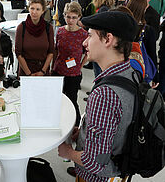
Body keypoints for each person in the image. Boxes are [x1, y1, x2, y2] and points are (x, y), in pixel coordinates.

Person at [58, 11, 138, 182]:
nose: (85, 42)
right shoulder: (130, 73)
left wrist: (68, 153)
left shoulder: (105, 94)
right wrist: (83, 134)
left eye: (89, 35)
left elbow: (95, 162)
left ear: (108, 39)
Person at [52, 2, 88, 127]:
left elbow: (88, 53)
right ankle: (57, 123)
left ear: (79, 17)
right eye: (68, 17)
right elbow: (56, 50)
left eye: (74, 17)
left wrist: (81, 65)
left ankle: (76, 126)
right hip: (58, 71)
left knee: (72, 100)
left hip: (73, 74)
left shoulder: (83, 34)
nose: (70, 20)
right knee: (56, 100)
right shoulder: (60, 31)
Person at [15, 0, 54, 76]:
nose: (34, 12)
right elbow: (18, 53)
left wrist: (43, 71)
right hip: (26, 70)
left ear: (43, 11)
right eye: (32, 8)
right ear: (28, 8)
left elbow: (51, 52)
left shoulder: (48, 28)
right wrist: (29, 74)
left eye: (38, 9)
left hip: (43, 69)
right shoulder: (21, 27)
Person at [127, 0, 159, 86]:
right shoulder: (148, 30)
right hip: (139, 68)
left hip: (119, 65)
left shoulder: (122, 25)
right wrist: (155, 76)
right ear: (143, 10)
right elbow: (152, 54)